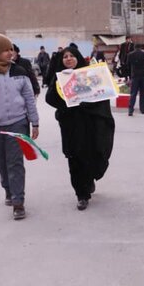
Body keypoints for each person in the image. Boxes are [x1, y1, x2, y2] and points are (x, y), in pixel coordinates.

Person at [0, 33, 40, 220]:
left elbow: (29, 99)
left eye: (11, 49)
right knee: (1, 160)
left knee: (15, 162)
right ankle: (8, 189)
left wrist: (34, 122)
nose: (10, 53)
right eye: (5, 50)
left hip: (18, 123)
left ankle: (18, 202)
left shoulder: (19, 71)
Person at [45, 47, 115, 211]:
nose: (68, 59)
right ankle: (81, 194)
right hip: (71, 125)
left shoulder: (90, 75)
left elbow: (102, 96)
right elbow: (50, 98)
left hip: (90, 124)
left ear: (78, 58)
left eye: (71, 56)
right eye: (65, 57)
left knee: (93, 154)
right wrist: (65, 101)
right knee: (74, 158)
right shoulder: (59, 77)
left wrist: (87, 102)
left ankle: (89, 180)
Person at [126, 44, 144, 116]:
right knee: (143, 93)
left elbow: (127, 65)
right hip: (143, 75)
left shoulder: (130, 54)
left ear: (134, 47)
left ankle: (130, 110)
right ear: (141, 48)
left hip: (134, 75)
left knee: (133, 93)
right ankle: (142, 109)